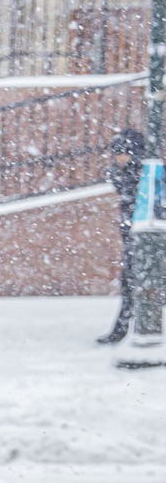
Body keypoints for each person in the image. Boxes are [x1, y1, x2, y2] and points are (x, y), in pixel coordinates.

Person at [99, 127, 147, 344]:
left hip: (144, 237)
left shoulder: (142, 175)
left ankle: (123, 329)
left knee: (132, 283)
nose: (120, 158)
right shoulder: (124, 174)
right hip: (133, 237)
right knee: (129, 283)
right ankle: (122, 328)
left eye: (124, 153)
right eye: (117, 153)